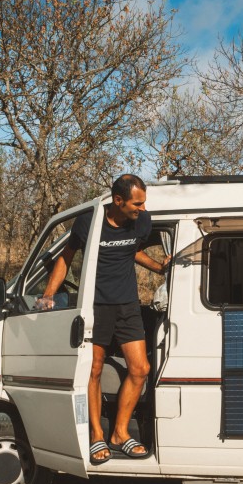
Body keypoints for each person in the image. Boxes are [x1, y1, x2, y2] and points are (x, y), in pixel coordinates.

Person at [37, 174, 170, 464]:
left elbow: (133, 249)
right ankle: (97, 434)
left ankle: (119, 433)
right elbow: (65, 257)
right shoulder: (89, 223)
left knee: (140, 368)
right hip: (95, 307)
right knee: (93, 370)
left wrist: (159, 267)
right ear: (118, 201)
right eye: (137, 202)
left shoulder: (142, 221)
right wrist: (49, 294)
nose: (143, 208)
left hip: (128, 306)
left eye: (144, 201)